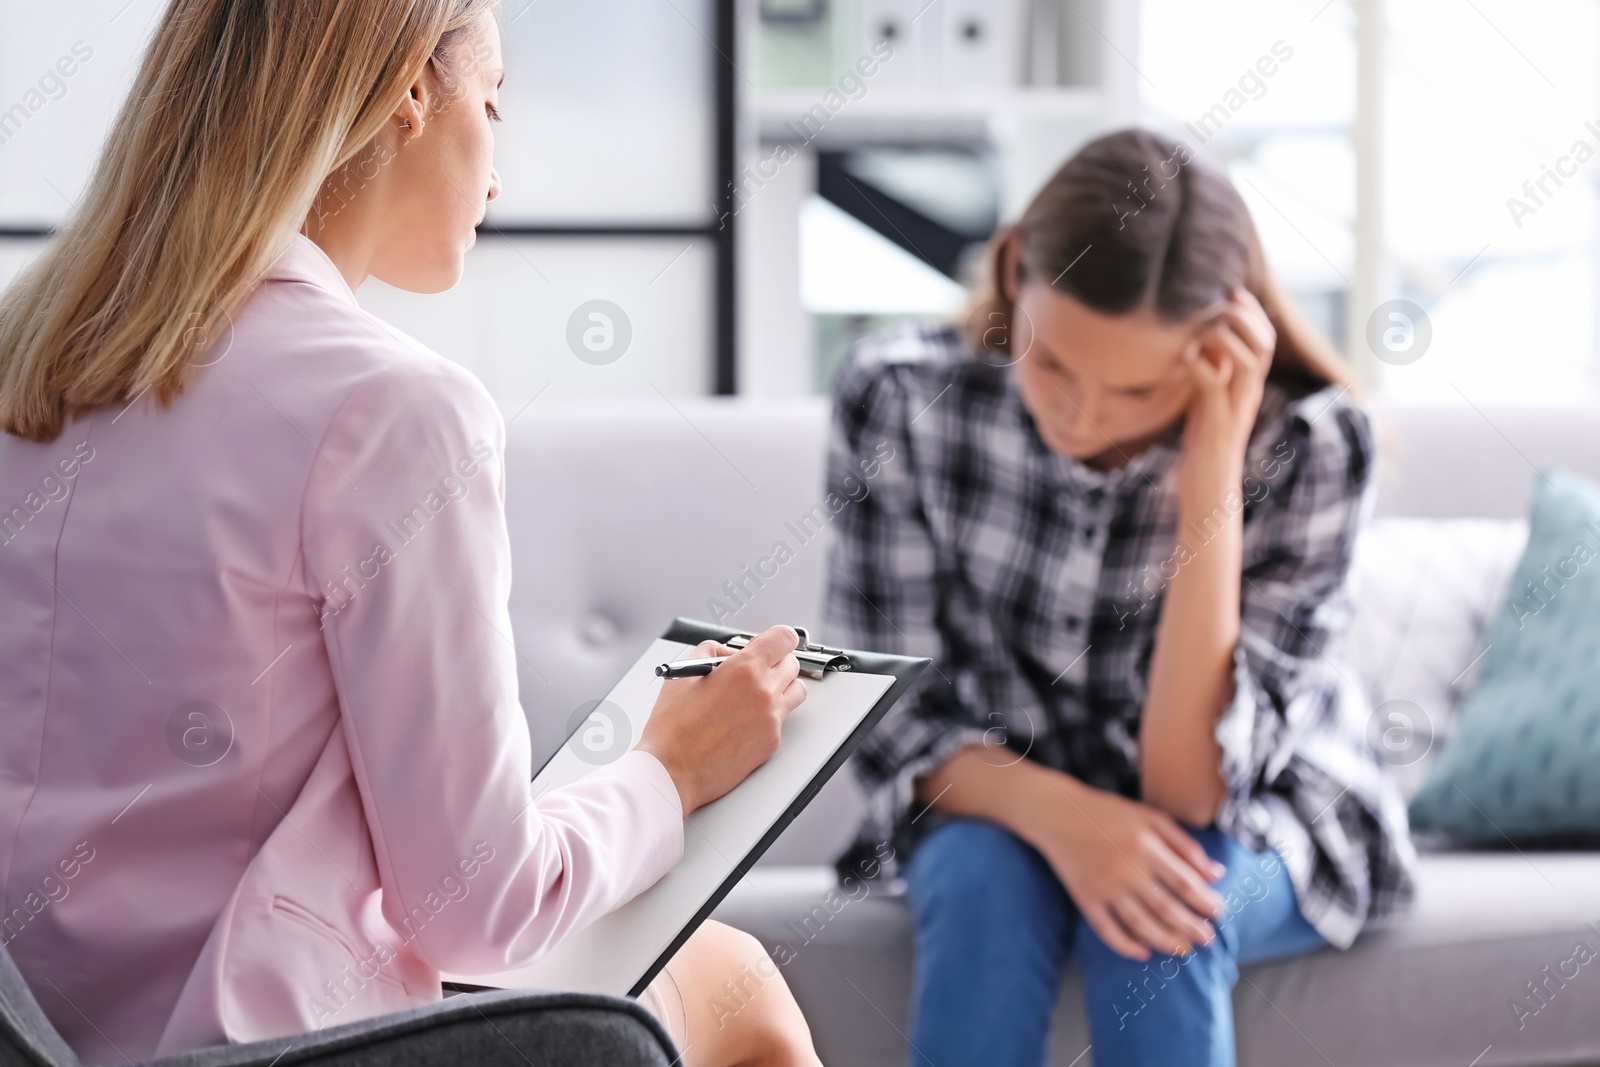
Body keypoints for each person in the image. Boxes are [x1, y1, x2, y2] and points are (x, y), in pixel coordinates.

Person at [0, 3, 821, 1065]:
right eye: (492, 105)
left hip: (48, 1034)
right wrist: (671, 769)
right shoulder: (391, 412)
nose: (496, 176)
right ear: (409, 94)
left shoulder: (35, 367)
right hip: (264, 1042)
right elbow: (475, 905)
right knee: (737, 981)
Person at [822, 129, 1416, 1066]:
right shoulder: (898, 397)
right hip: (998, 801)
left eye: (1138, 389)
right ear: (1016, 273)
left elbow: (1193, 790)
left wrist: (1211, 481)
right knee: (979, 889)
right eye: (1052, 362)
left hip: (1258, 815)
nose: (1081, 417)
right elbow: (883, 714)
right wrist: (1077, 822)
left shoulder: (1312, 444)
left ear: (1221, 349)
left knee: (1160, 924)